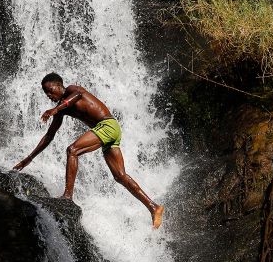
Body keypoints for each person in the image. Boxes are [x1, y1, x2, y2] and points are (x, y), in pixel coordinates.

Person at [14, 72, 164, 229]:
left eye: (50, 90)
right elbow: (49, 136)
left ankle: (67, 196)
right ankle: (153, 207)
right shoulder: (61, 110)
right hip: (110, 131)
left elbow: (78, 95)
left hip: (107, 125)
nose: (48, 95)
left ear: (59, 85)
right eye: (45, 93)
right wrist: (28, 158)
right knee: (120, 176)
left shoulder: (72, 90)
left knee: (72, 150)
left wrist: (55, 109)